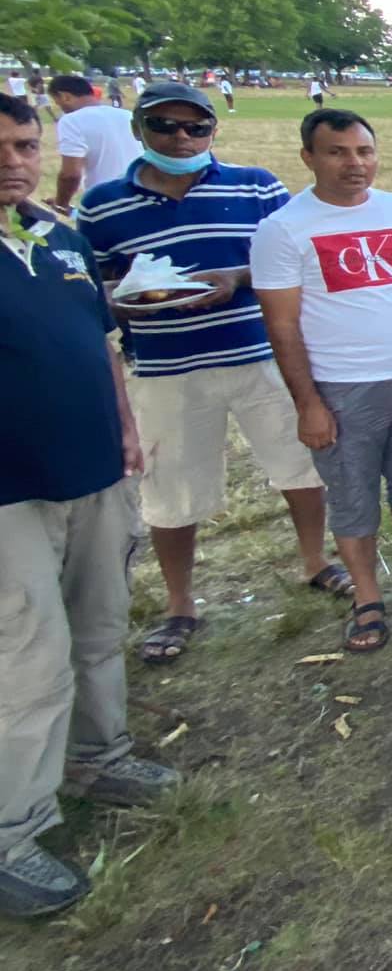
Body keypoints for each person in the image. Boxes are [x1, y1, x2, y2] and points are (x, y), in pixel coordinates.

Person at [74, 81, 340, 667]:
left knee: (300, 465)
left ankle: (316, 561)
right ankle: (179, 603)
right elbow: (91, 287)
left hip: (262, 354)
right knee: (171, 487)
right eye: (165, 126)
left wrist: (235, 279)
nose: (182, 138)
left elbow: (295, 258)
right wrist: (130, 299)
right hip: (166, 367)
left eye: (196, 127)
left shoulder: (255, 187)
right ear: (139, 130)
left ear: (213, 130)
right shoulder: (101, 205)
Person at [0, 93, 181, 920]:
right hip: (13, 492)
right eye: (1, 147)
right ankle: (13, 831)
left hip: (96, 470)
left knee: (99, 624)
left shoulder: (57, 237)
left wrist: (126, 428)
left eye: (24, 145)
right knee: (27, 655)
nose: (13, 162)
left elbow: (99, 344)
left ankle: (98, 757)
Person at [251, 109, 392, 654]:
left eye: (364, 151)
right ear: (308, 157)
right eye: (338, 152)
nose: (355, 163)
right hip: (342, 384)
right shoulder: (283, 229)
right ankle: (367, 596)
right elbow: (281, 325)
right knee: (353, 491)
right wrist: (308, 403)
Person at [48, 73, 142, 213]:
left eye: (57, 101)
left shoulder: (71, 121)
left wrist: (61, 204)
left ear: (65, 96)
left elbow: (70, 175)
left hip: (106, 202)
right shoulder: (126, 115)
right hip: (142, 195)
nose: (59, 106)